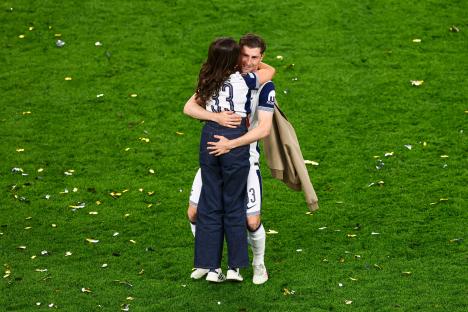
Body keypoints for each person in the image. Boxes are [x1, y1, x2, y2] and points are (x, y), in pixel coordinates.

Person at [184, 34, 275, 284]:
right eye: (243, 56)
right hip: (221, 150)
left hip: (242, 153)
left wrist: (230, 143)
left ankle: (258, 265)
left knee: (251, 219)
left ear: (261, 58)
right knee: (194, 213)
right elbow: (190, 107)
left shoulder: (265, 87)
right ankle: (210, 263)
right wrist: (218, 118)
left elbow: (263, 129)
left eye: (254, 57)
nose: (248, 61)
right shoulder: (229, 79)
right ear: (236, 57)